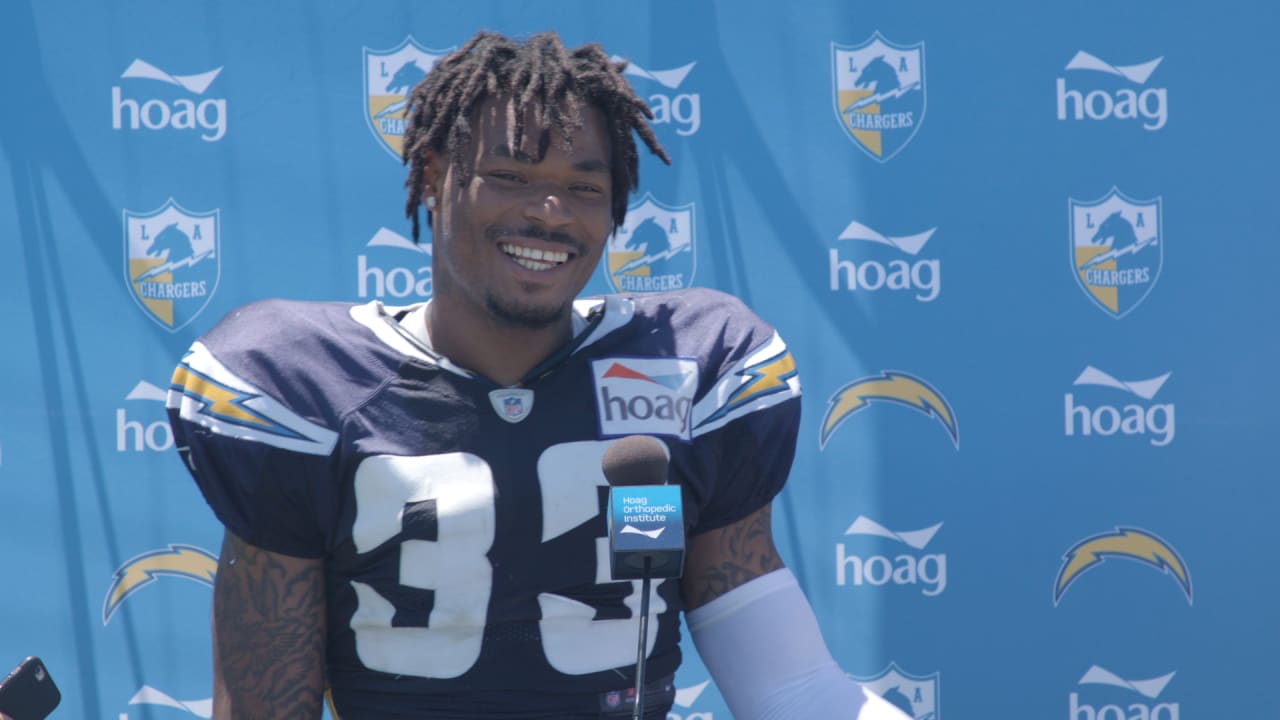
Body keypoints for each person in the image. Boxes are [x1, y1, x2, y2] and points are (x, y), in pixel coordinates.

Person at [167, 30, 908, 720]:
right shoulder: (303, 385)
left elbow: (792, 687)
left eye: (585, 187)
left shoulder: (684, 367)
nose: (550, 212)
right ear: (432, 175)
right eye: (510, 175)